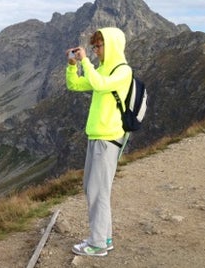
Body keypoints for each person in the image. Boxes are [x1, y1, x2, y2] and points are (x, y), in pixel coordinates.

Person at [65, 27, 132, 257]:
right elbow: (75, 85)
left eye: (98, 46)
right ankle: (106, 238)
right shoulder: (102, 69)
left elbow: (102, 85)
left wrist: (87, 63)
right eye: (93, 47)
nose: (95, 51)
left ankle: (97, 244)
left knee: (98, 191)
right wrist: (73, 66)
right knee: (93, 189)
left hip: (108, 139)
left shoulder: (123, 71)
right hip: (96, 137)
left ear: (111, 45)